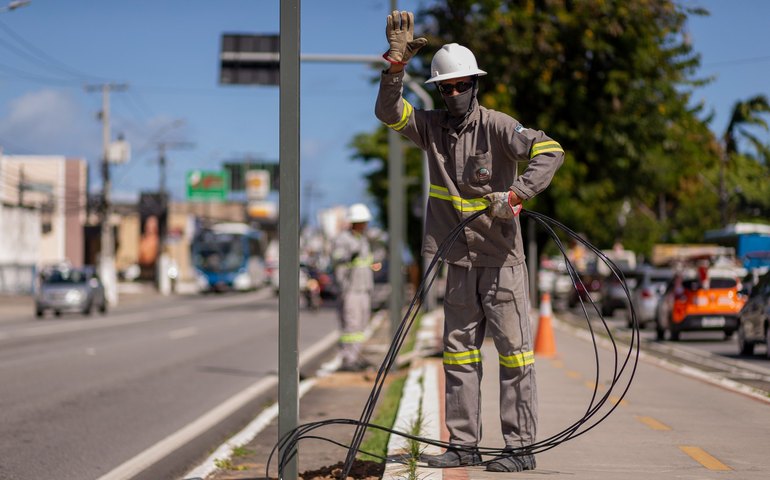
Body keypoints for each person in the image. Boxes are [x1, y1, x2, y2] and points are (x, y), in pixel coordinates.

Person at [375, 11, 565, 472]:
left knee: (516, 357)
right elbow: (388, 113)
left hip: (502, 263)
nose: (454, 93)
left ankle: (520, 448)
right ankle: (463, 445)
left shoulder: (498, 127)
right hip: (458, 263)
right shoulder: (430, 129)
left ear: (474, 85)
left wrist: (518, 194)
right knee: (459, 359)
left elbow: (550, 149)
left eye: (461, 85)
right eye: (446, 87)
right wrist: (396, 67)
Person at [331, 203, 375, 372]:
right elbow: (337, 258)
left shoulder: (363, 240)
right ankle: (348, 358)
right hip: (350, 289)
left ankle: (355, 355)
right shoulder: (343, 239)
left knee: (361, 325)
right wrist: (350, 254)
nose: (364, 225)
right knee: (351, 325)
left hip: (364, 288)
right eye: (362, 222)